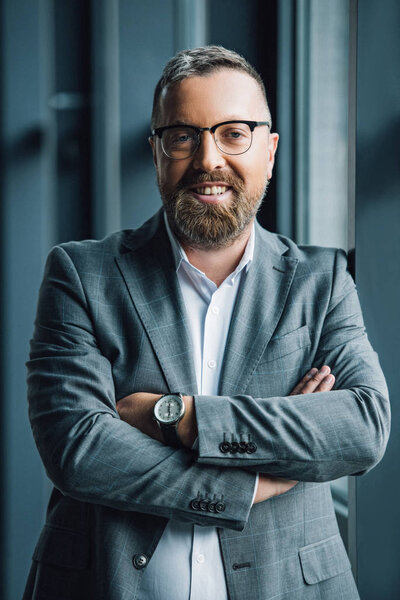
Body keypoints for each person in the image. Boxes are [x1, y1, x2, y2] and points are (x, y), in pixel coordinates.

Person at [23, 46, 389, 600]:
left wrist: (179, 417)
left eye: (233, 133)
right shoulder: (80, 273)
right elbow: (78, 449)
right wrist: (256, 481)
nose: (208, 159)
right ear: (156, 152)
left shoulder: (324, 278)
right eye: (183, 136)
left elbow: (362, 427)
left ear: (269, 150)